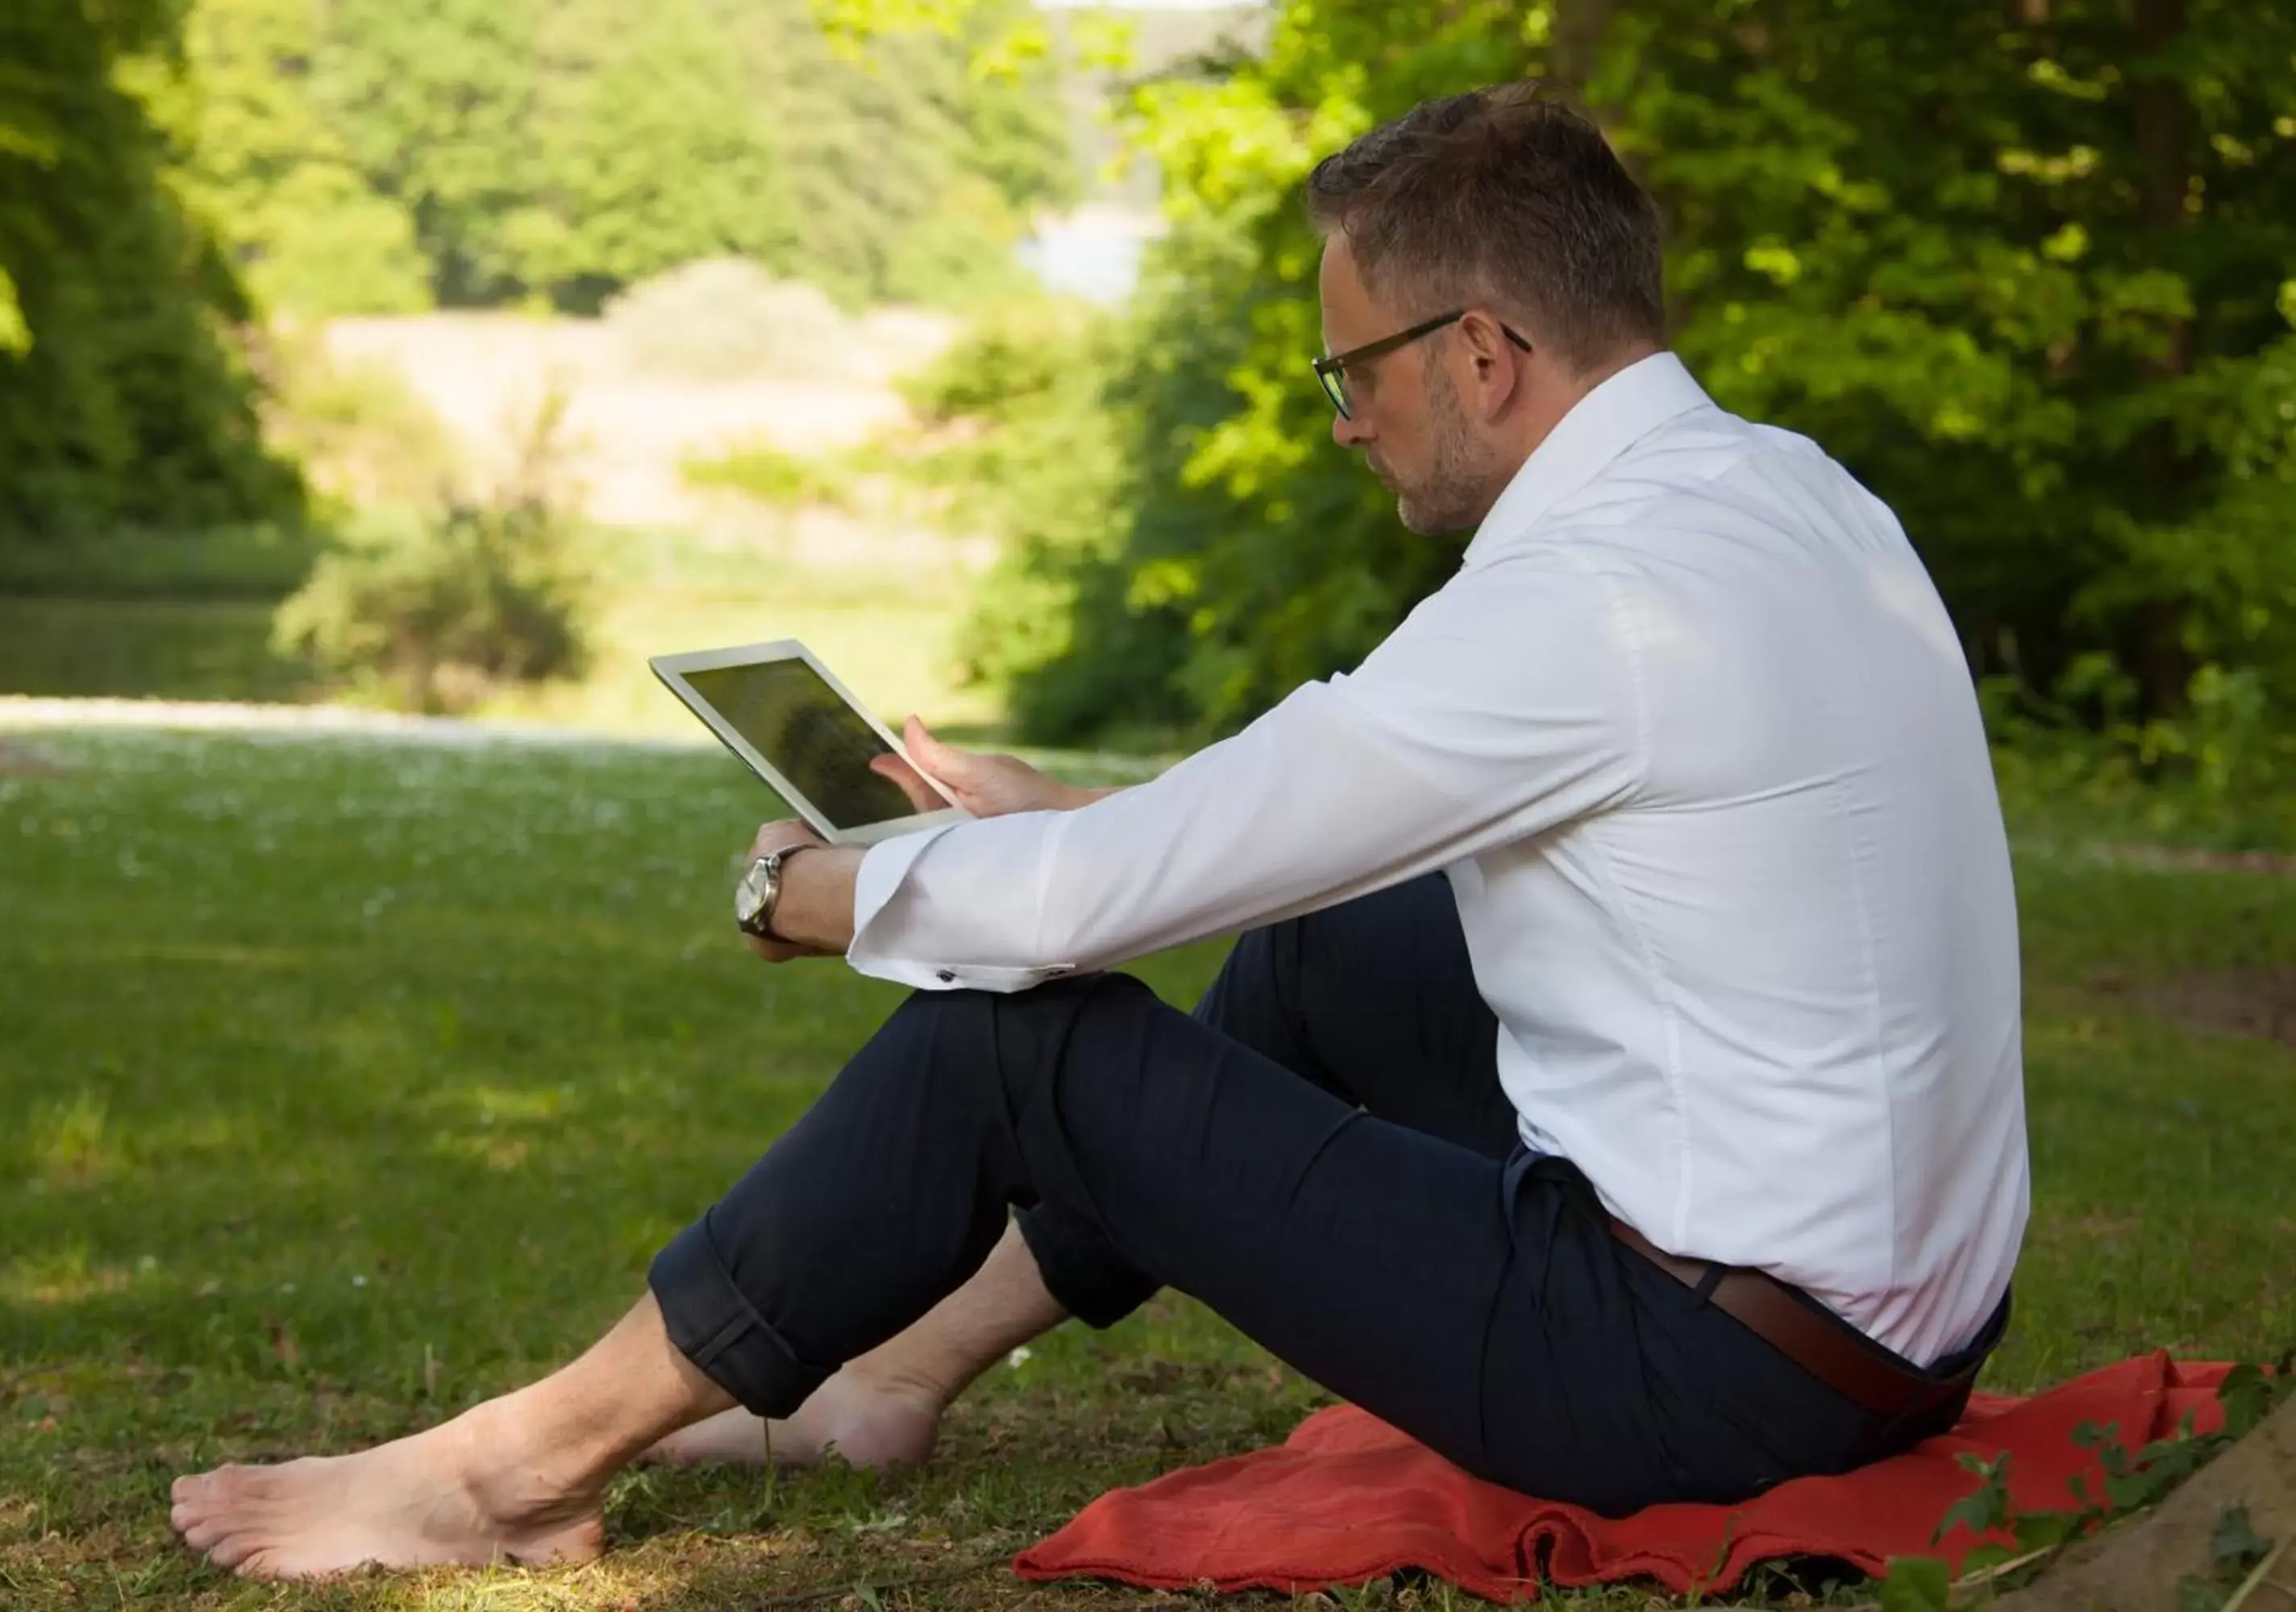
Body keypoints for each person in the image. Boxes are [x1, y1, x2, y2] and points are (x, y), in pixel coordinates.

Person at [170, 81, 2030, 1578]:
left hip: (1702, 1379)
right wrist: (1088, 816)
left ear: (1481, 351)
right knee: (1331, 947)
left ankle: (508, 1468)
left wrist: (807, 889)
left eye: (1351, 372)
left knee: (1017, 1046)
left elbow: (1079, 917)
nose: (1340, 424)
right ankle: (891, 1374)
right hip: (1879, 1335)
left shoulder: (1587, 601)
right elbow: (1338, 811)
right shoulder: (1780, 497)